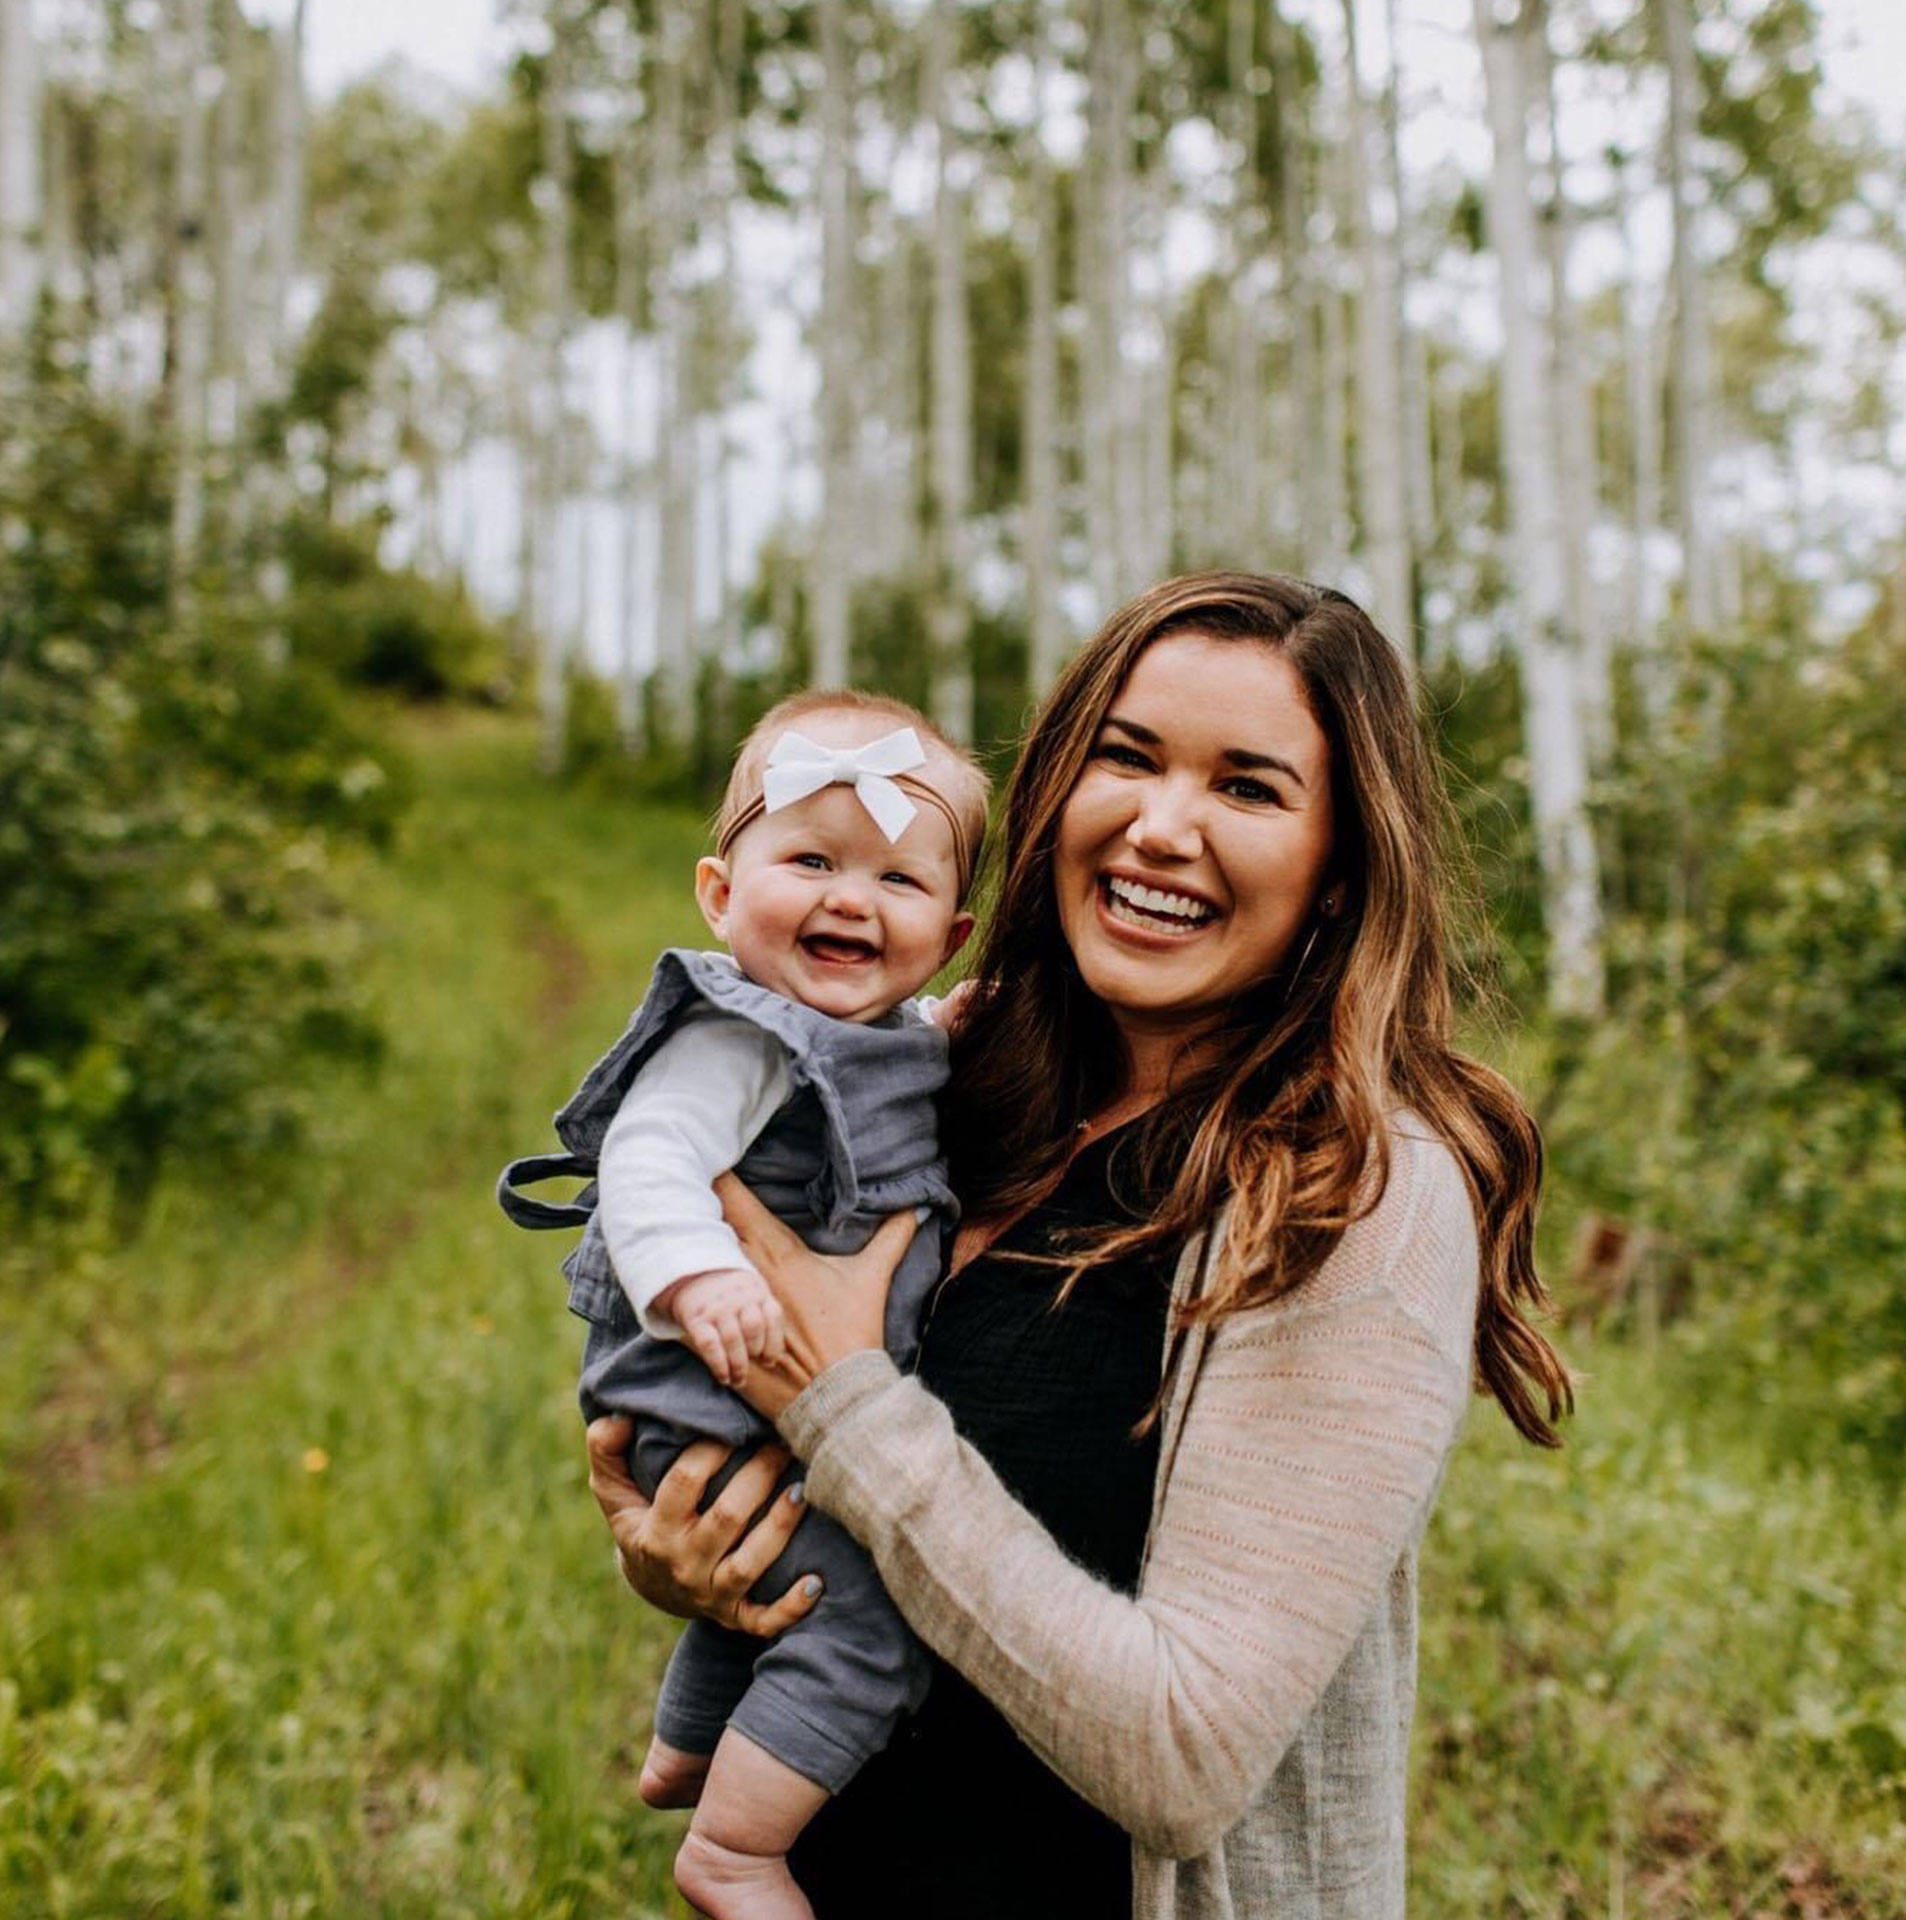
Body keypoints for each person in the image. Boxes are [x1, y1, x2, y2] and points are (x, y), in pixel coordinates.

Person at [588, 572, 1572, 1920]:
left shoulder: (1354, 1193)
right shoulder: (940, 1076)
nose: (1164, 827)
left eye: (1248, 787)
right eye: (1129, 756)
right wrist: (691, 1554)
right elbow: (786, 1460)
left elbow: (1186, 1756)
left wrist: (840, 1406)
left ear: (1341, 873)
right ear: (1054, 794)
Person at [500, 690, 988, 1919]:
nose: (849, 899)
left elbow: (897, 1049)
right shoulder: (744, 1038)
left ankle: (688, 1750)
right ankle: (736, 1852)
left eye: (897, 882)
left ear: (953, 932)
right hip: (707, 1370)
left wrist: (945, 1023)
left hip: (759, 1396)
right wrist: (700, 1273)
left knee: (774, 1578)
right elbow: (650, 1156)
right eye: (811, 860)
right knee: (868, 1622)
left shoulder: (885, 1029)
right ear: (720, 894)